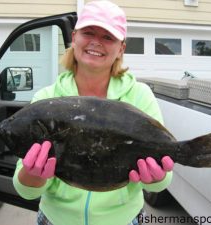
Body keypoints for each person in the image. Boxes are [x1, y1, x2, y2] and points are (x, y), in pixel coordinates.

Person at [13, 1, 174, 225]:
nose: (96, 42)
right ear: (74, 37)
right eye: (88, 32)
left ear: (121, 48)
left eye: (108, 37)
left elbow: (160, 183)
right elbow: (25, 191)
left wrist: (156, 177)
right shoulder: (46, 98)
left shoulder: (140, 95)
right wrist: (34, 174)